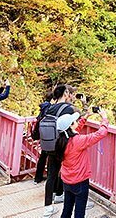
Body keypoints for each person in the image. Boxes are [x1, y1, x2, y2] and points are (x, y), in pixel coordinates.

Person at [55, 108, 109, 218]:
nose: (76, 122)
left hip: (67, 180)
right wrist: (104, 118)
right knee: (79, 211)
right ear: (71, 125)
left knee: (67, 209)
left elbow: (73, 130)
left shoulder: (61, 140)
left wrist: (86, 117)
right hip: (80, 181)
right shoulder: (78, 141)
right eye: (74, 121)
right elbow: (101, 133)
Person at [42, 84, 77, 218]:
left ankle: (48, 207)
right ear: (66, 93)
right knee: (69, 171)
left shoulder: (50, 107)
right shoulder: (67, 108)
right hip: (63, 145)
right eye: (70, 93)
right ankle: (67, 197)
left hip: (50, 144)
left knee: (51, 175)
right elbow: (76, 120)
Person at [34, 90, 54, 184]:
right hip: (49, 134)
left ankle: (37, 177)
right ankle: (50, 178)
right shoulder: (49, 108)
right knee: (49, 156)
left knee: (43, 156)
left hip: (43, 133)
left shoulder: (44, 106)